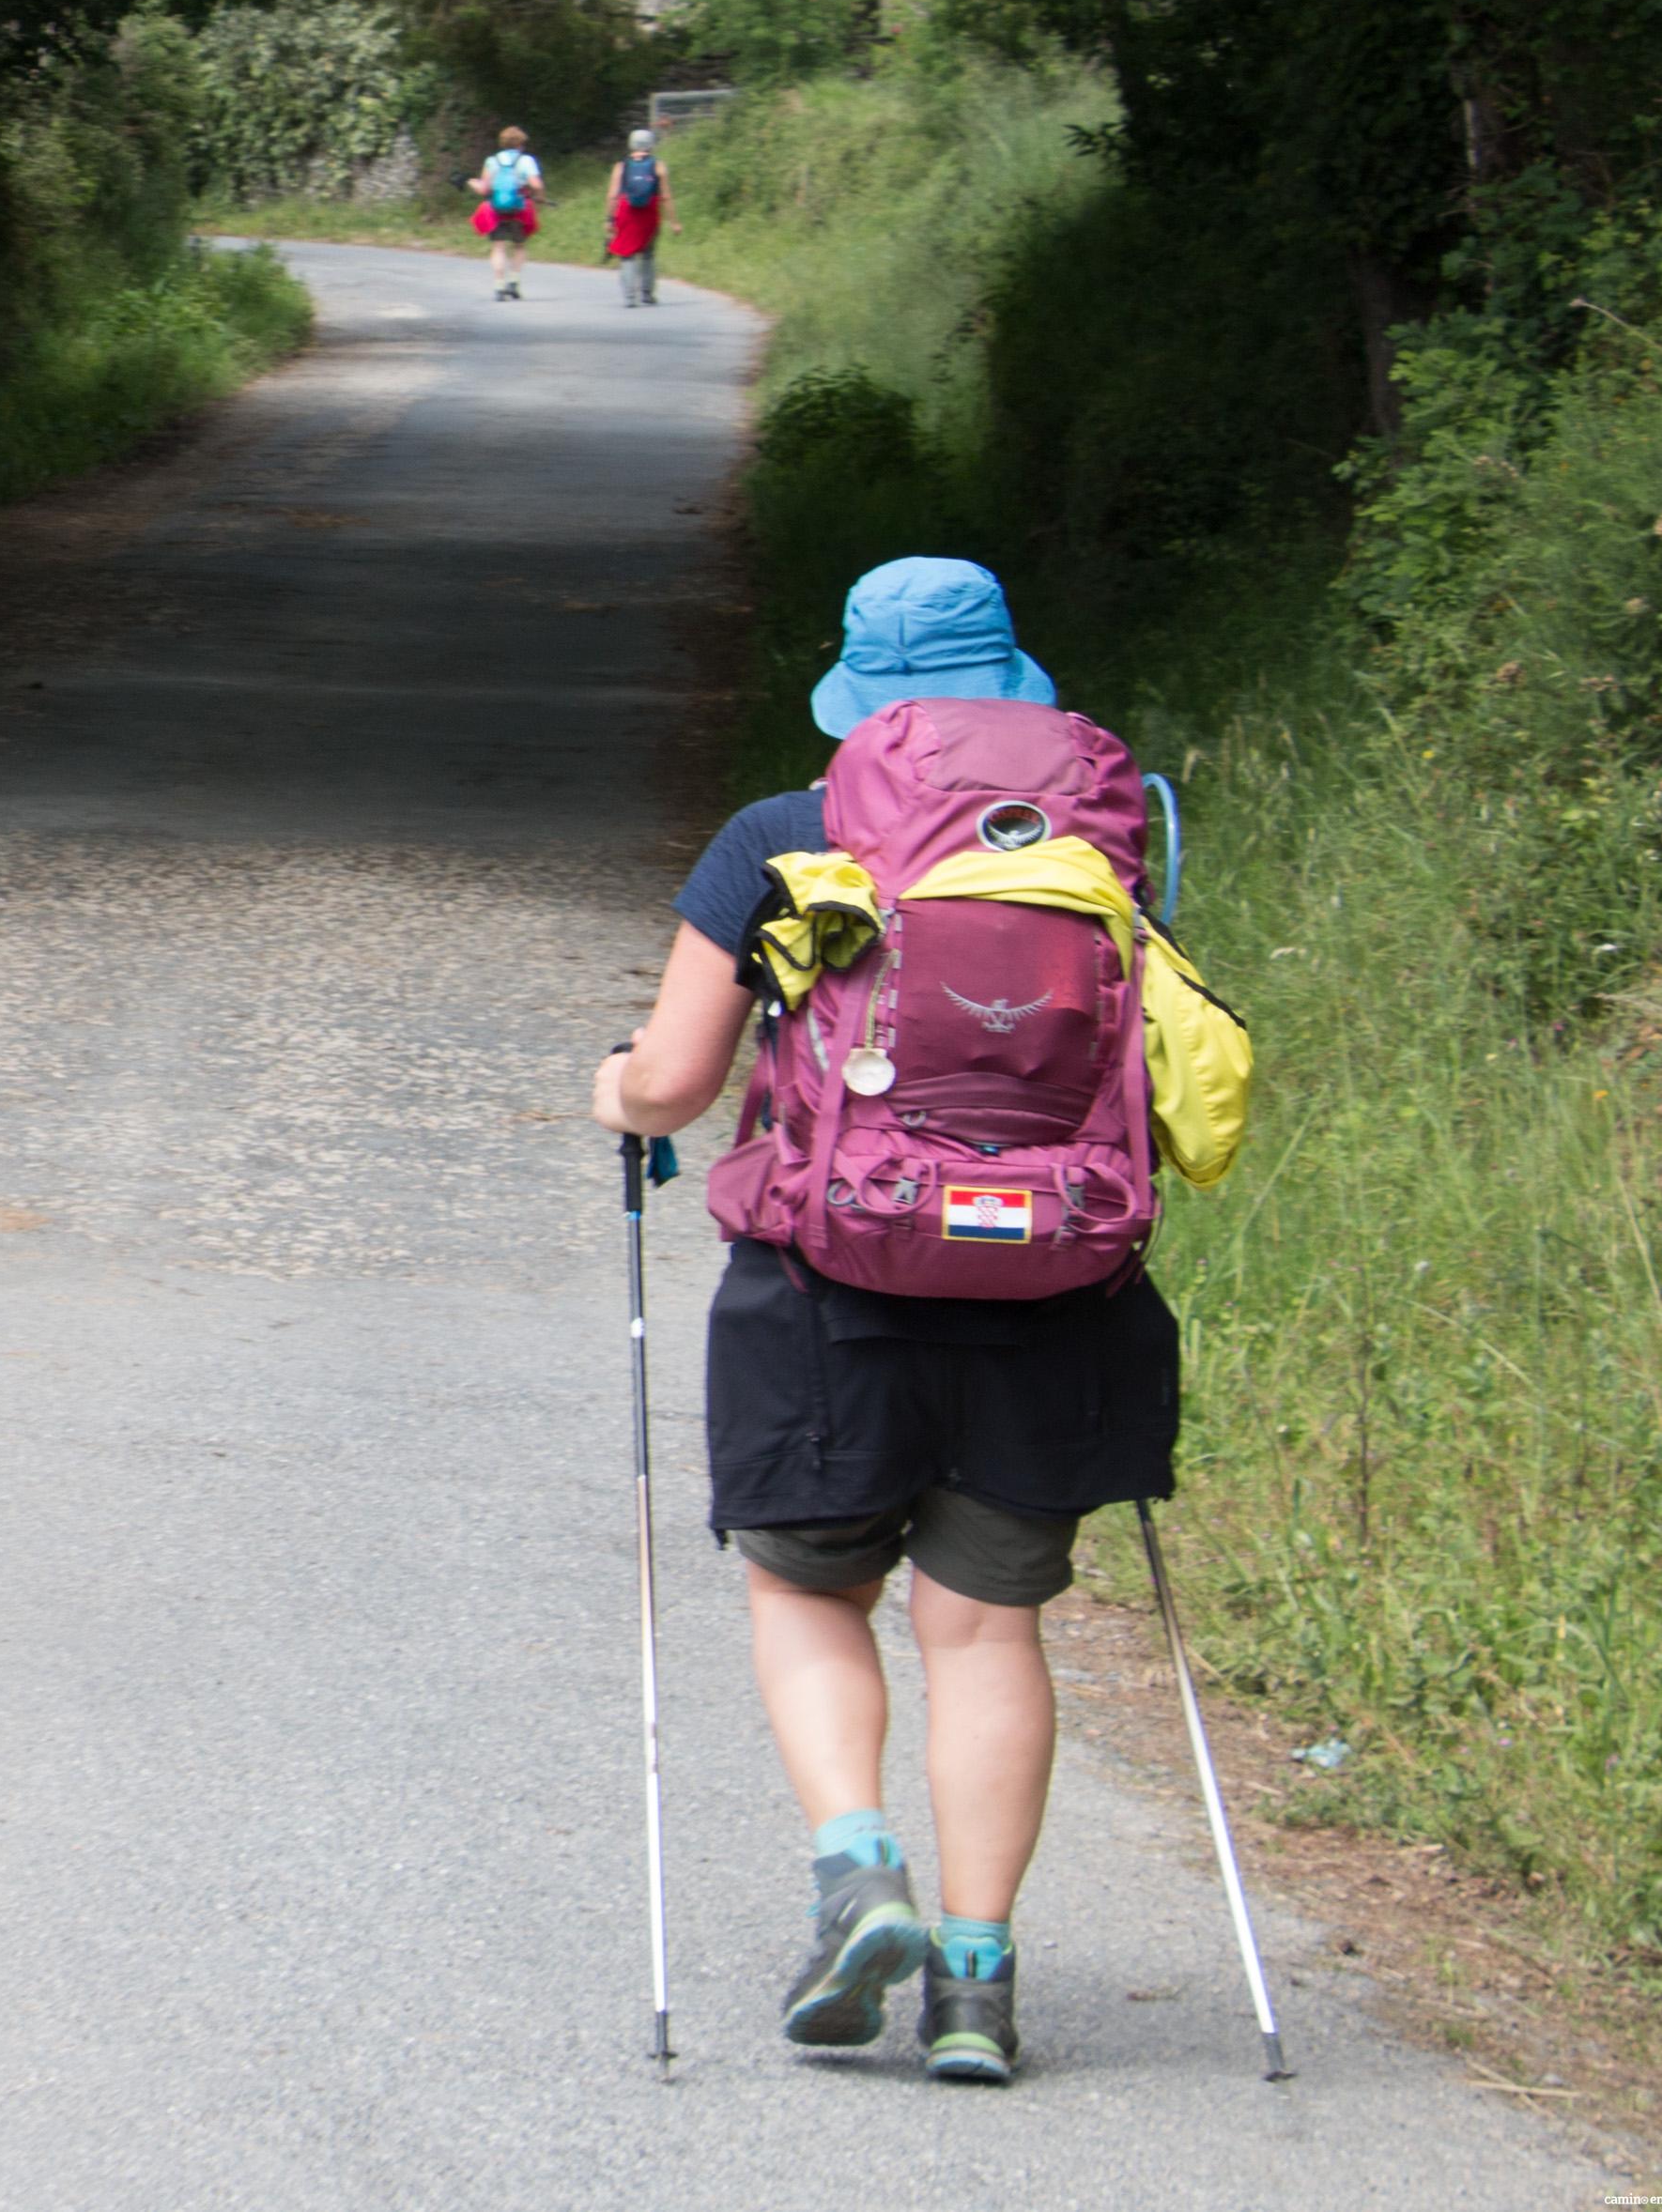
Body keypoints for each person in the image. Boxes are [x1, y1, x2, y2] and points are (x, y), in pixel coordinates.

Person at [588, 557, 1181, 2087]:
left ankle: (857, 1873)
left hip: (826, 1286)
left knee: (805, 1593)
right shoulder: (1100, 836)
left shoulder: (781, 833)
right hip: (1050, 1284)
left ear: (849, 693)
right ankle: (975, 1982)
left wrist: (613, 1090)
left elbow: (670, 1080)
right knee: (983, 1628)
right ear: (1014, 681)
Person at [469, 127, 545, 298]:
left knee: (498, 248)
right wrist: (538, 198)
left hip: (496, 210)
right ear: (520, 143)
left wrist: (473, 183)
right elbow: (537, 185)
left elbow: (484, 190)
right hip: (520, 210)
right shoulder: (526, 161)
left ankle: (498, 286)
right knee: (519, 246)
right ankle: (514, 282)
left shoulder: (492, 161)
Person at [608, 129, 668, 308]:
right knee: (648, 254)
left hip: (627, 211)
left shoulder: (622, 166)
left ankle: (629, 297)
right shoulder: (658, 165)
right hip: (650, 212)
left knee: (627, 255)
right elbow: (666, 195)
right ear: (650, 144)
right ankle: (647, 293)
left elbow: (612, 195)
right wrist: (673, 220)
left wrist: (609, 218)